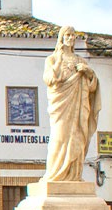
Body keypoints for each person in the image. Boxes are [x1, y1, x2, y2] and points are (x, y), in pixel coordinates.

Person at [42, 25, 101, 182]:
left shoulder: (80, 61)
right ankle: (53, 175)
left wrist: (89, 73)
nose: (70, 38)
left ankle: (74, 176)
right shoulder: (52, 59)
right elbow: (50, 80)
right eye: (67, 35)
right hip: (60, 104)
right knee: (59, 137)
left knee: (77, 137)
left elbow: (92, 87)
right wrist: (59, 59)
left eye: (72, 35)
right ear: (61, 38)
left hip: (78, 106)